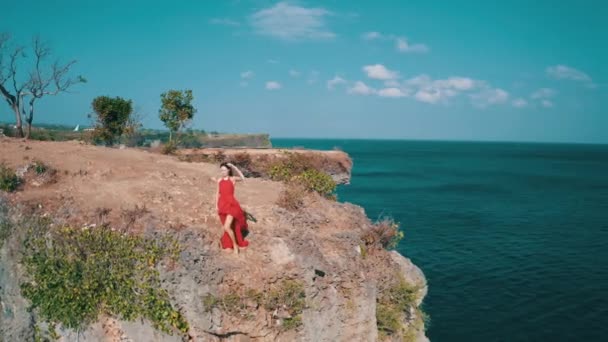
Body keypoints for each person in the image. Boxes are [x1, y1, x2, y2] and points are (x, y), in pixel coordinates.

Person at [216, 162, 249, 254]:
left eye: (224, 170)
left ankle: (235, 246)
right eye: (221, 170)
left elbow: (243, 178)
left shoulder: (232, 179)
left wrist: (234, 166)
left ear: (228, 170)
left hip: (232, 205)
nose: (222, 172)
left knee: (227, 226)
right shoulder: (219, 180)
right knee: (227, 226)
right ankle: (229, 243)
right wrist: (216, 205)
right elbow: (217, 194)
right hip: (222, 205)